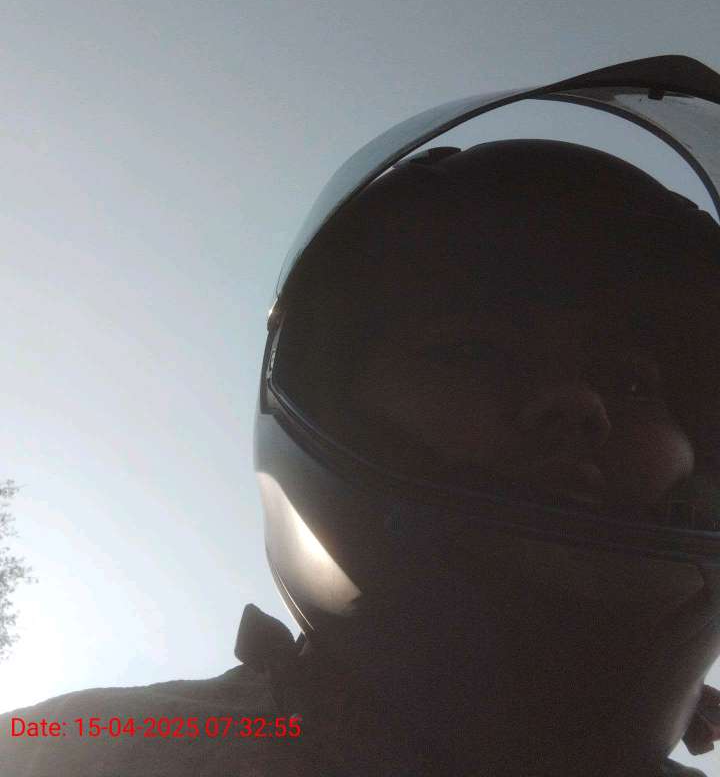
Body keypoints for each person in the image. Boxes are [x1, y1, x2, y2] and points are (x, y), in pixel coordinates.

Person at [2, 55, 720, 777]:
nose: (578, 403)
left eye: (631, 383)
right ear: (332, 396)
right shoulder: (70, 754)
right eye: (474, 352)